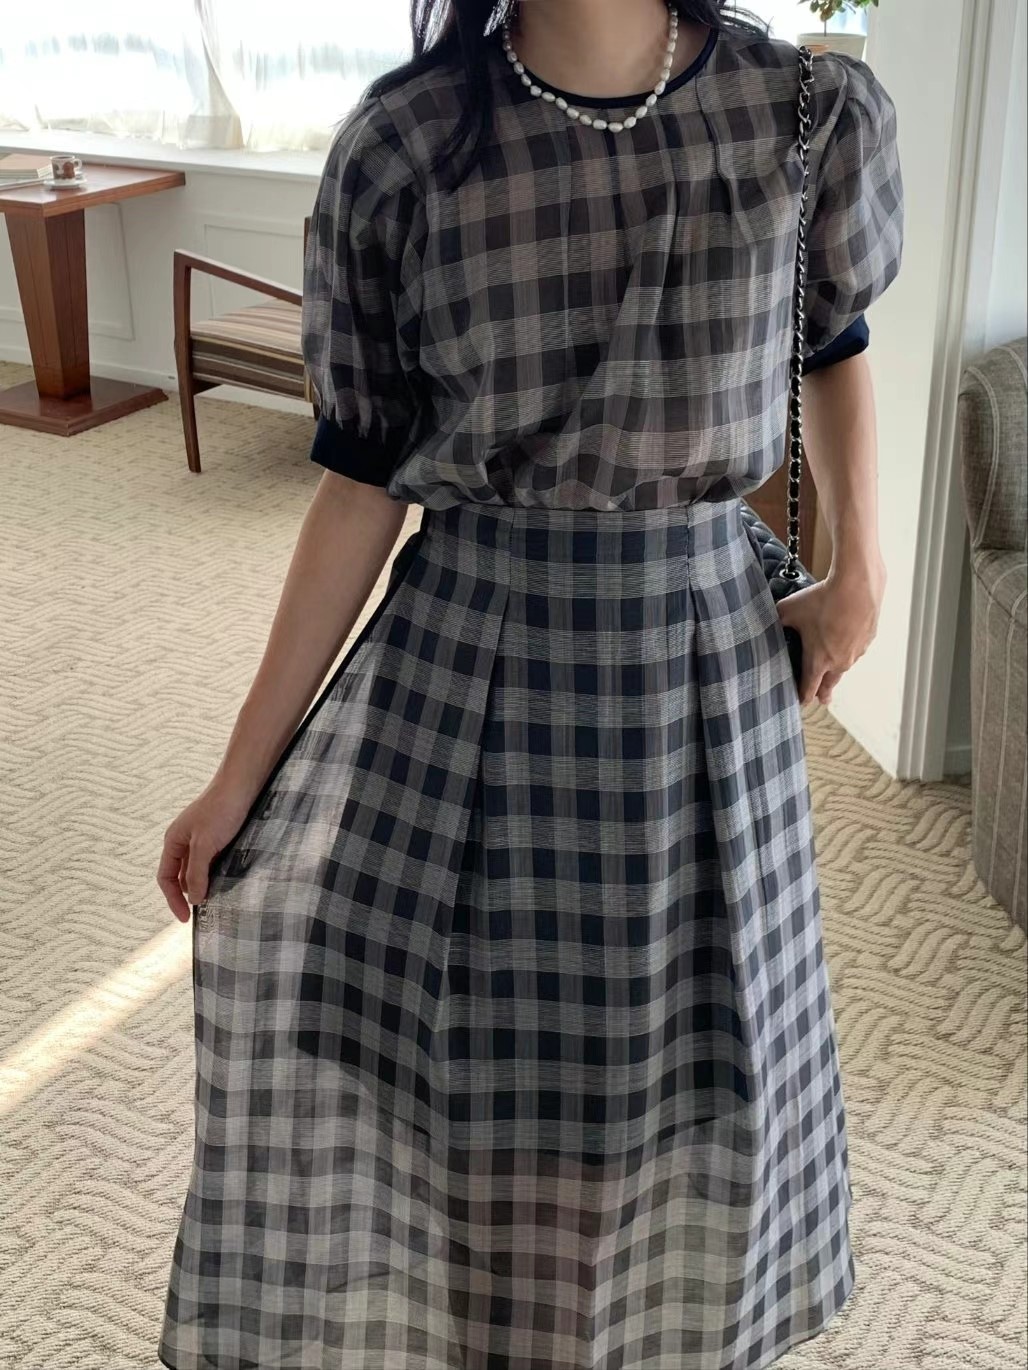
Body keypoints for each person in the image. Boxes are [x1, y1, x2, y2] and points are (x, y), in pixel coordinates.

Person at [156, 0, 903, 1365]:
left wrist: (861, 567)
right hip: (471, 667)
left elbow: (833, 344)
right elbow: (361, 481)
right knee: (486, 1094)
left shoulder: (802, 114)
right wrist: (237, 775)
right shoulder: (406, 142)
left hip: (701, 674)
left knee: (688, 1078)